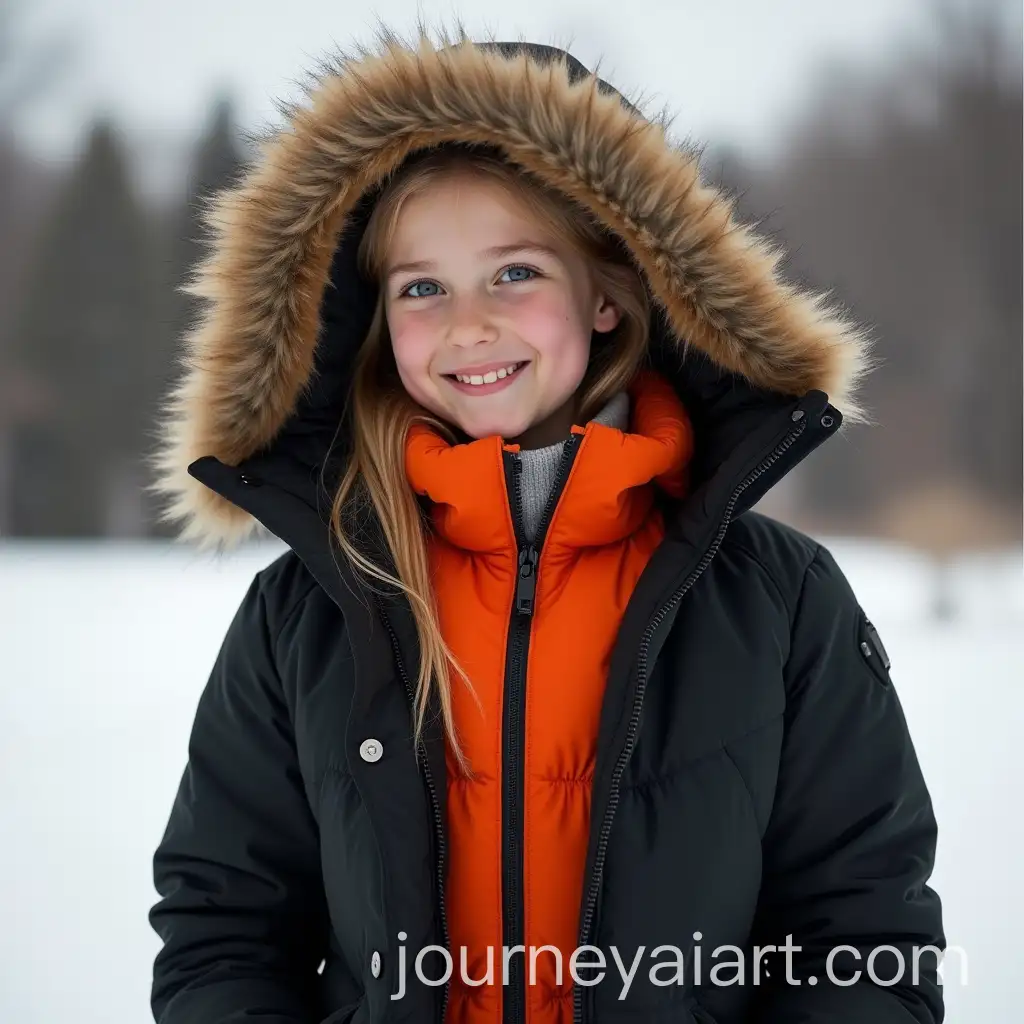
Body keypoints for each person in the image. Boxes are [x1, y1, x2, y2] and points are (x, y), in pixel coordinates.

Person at [147, 32, 945, 1024]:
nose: (468, 323)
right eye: (422, 287)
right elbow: (224, 929)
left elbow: (861, 934)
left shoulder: (775, 601)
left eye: (514, 272)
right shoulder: (308, 611)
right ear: (376, 323)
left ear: (608, 292)